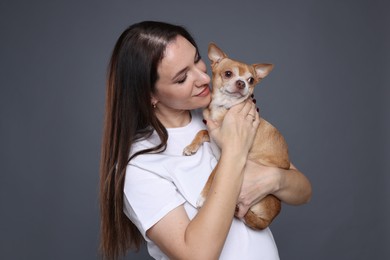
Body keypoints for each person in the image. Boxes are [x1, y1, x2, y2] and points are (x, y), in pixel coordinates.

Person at [100, 21, 312, 260]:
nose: (204, 77)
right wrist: (235, 150)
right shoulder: (138, 165)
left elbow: (303, 191)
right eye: (182, 78)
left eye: (198, 60)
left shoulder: (225, 115)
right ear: (149, 95)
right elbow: (198, 256)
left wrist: (272, 179)